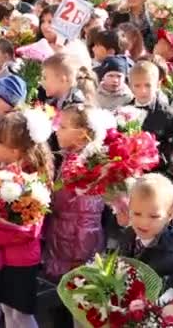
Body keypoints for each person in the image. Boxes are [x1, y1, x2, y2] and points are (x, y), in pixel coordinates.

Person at [0, 112, 53, 328]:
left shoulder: (32, 182)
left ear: (14, 149)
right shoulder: (4, 170)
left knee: (21, 314)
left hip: (21, 259)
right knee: (7, 309)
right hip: (3, 255)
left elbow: (29, 229)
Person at [44, 104, 106, 281]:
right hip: (62, 240)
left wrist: (81, 257)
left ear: (81, 134)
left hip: (74, 252)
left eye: (63, 127)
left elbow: (88, 218)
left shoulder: (86, 168)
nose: (56, 131)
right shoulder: (70, 158)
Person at [119, 173, 173, 292]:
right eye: (137, 213)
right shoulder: (128, 234)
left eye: (154, 216)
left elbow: (170, 301)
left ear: (170, 213)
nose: (144, 222)